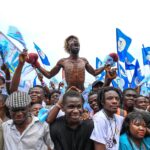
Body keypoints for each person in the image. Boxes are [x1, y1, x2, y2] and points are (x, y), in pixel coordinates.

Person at [31, 35, 107, 92]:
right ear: (68, 46)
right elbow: (49, 75)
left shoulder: (84, 60)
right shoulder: (63, 61)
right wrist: (37, 65)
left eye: (76, 40)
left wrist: (105, 66)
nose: (74, 41)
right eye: (71, 40)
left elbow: (94, 72)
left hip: (83, 93)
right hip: (69, 93)